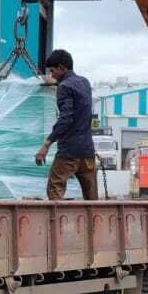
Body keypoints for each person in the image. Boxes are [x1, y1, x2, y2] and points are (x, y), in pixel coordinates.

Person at [33, 48, 97, 200]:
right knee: (92, 197)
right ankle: (95, 223)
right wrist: (57, 83)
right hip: (87, 151)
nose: (51, 74)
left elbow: (66, 118)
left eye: (53, 70)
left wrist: (46, 144)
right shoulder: (84, 82)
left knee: (55, 188)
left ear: (62, 68)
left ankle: (58, 222)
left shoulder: (64, 87)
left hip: (69, 151)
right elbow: (77, 103)